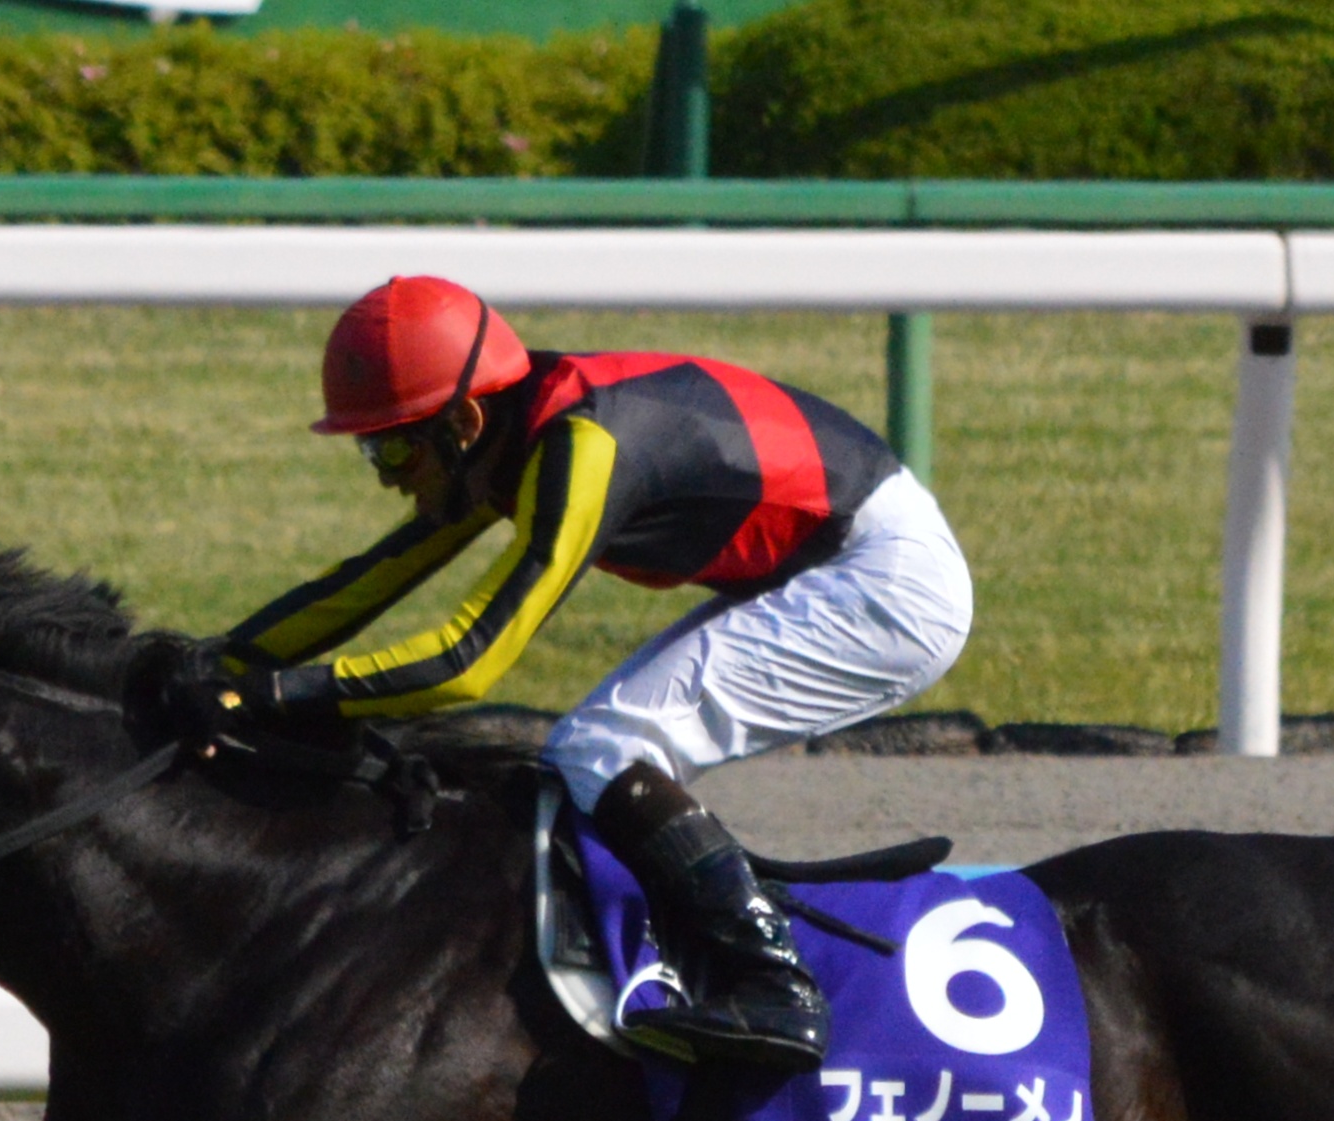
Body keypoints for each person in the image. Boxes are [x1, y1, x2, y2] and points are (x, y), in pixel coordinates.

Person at [164, 274, 975, 1073]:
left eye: (394, 444)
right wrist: (212, 662)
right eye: (370, 448)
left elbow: (467, 661)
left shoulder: (583, 446)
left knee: (603, 747)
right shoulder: (503, 432)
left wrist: (276, 693)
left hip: (886, 585)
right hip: (830, 562)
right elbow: (371, 578)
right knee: (592, 752)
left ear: (466, 418)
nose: (385, 473)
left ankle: (775, 988)